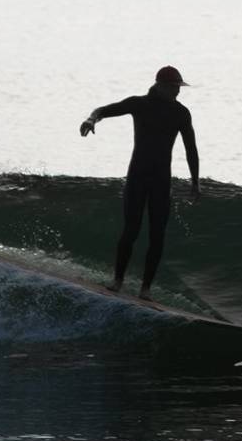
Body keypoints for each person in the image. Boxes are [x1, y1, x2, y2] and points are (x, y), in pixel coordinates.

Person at [79, 66, 199, 300]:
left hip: (161, 180)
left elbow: (190, 148)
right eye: (174, 87)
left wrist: (196, 181)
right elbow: (104, 110)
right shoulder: (139, 104)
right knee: (131, 230)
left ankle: (146, 289)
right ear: (160, 85)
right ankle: (118, 281)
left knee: (158, 235)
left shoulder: (181, 113)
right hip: (137, 176)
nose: (177, 91)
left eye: (179, 87)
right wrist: (91, 119)